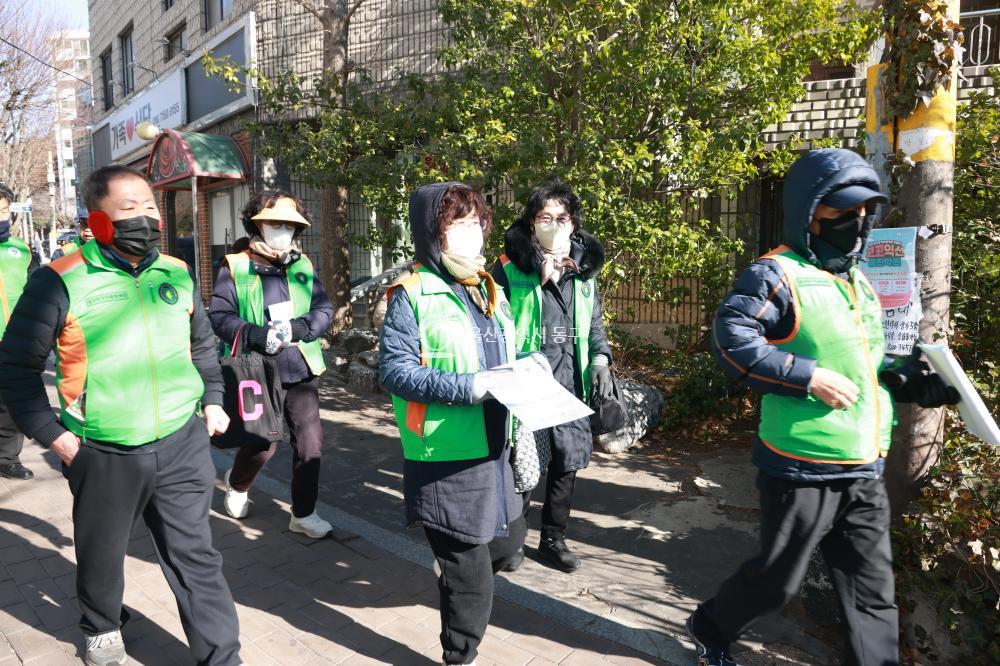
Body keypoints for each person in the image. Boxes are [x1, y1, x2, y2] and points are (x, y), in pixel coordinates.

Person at [688, 148, 958, 666]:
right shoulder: (776, 274)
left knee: (872, 593)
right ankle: (710, 625)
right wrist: (807, 377)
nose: (856, 227)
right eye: (842, 215)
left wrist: (907, 381)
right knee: (775, 584)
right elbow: (730, 339)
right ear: (808, 214)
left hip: (863, 467)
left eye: (864, 216)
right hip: (799, 468)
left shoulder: (857, 282)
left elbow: (866, 361)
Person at [0, 166, 242, 666]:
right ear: (97, 220)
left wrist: (212, 399)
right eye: (130, 209)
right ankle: (101, 624)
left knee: (196, 556)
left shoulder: (175, 272)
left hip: (182, 441)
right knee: (103, 553)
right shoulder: (57, 280)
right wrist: (55, 437)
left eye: (151, 207)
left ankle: (222, 656)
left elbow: (201, 346)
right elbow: (16, 368)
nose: (148, 218)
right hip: (102, 450)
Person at [380, 182, 527, 666]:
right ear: (431, 233)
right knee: (473, 576)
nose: (471, 233)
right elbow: (395, 371)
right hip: (445, 453)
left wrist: (529, 373)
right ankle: (459, 655)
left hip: (494, 446)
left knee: (508, 548)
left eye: (474, 222)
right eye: (455, 224)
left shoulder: (487, 286)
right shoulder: (412, 292)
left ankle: (452, 570)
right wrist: (470, 387)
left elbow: (505, 352)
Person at [491, 180, 613, 573]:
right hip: (528, 381)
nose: (554, 224)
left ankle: (553, 540)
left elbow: (594, 323)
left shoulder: (583, 270)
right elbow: (492, 322)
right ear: (530, 222)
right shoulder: (508, 266)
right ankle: (512, 539)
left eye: (562, 217)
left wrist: (601, 359)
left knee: (567, 464)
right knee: (524, 464)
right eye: (545, 217)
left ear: (574, 223)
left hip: (570, 381)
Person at [209, 190, 334, 538]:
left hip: (300, 368)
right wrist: (254, 334)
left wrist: (300, 328)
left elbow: (324, 310)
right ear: (257, 224)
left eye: (288, 225)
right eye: (274, 223)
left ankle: (304, 513)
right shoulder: (235, 265)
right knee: (262, 443)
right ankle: (237, 483)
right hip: (256, 370)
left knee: (310, 444)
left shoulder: (303, 265)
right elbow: (220, 316)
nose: (281, 230)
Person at [0, 182, 32, 480]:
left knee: (10, 404)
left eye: (4, 210)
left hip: (12, 340)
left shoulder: (20, 250)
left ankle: (7, 458)